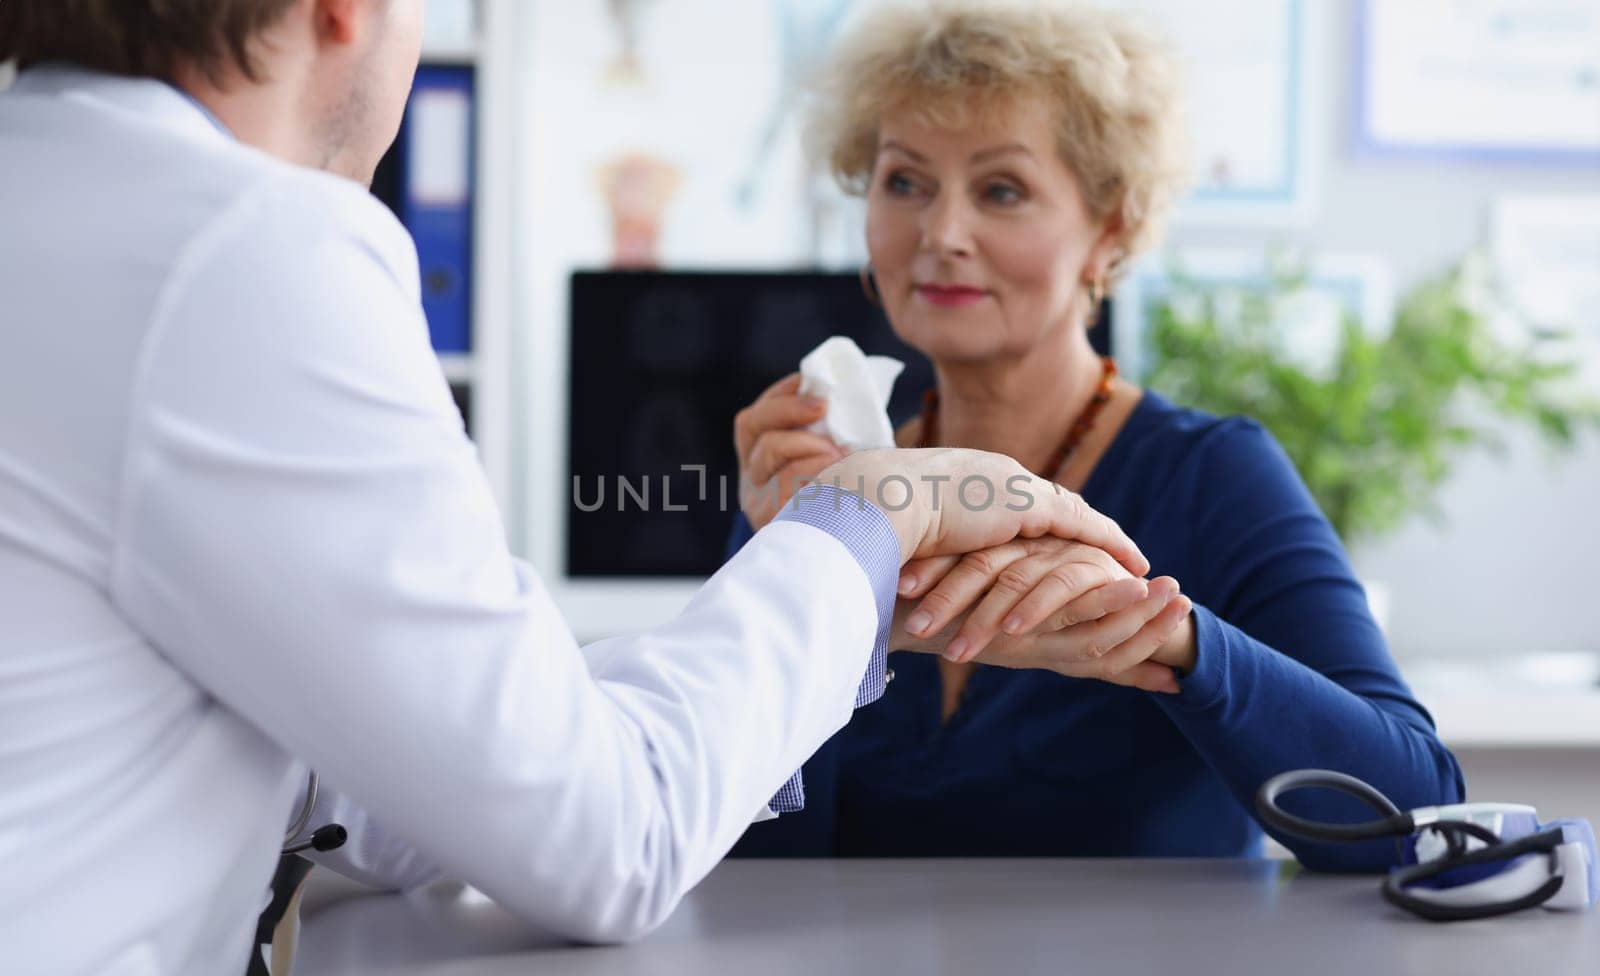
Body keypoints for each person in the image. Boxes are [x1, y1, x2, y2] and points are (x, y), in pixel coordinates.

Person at [0, 2, 1152, 972]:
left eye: (999, 191)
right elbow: (604, 836)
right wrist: (872, 521)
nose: (941, 236)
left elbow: (429, 767)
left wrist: (836, 594)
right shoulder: (250, 251)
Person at [728, 0, 1464, 868]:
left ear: (1108, 230)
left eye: (1001, 190)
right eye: (905, 182)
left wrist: (1178, 645)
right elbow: (746, 857)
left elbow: (1417, 815)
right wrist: (782, 560)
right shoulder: (834, 485)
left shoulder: (1211, 473)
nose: (940, 233)